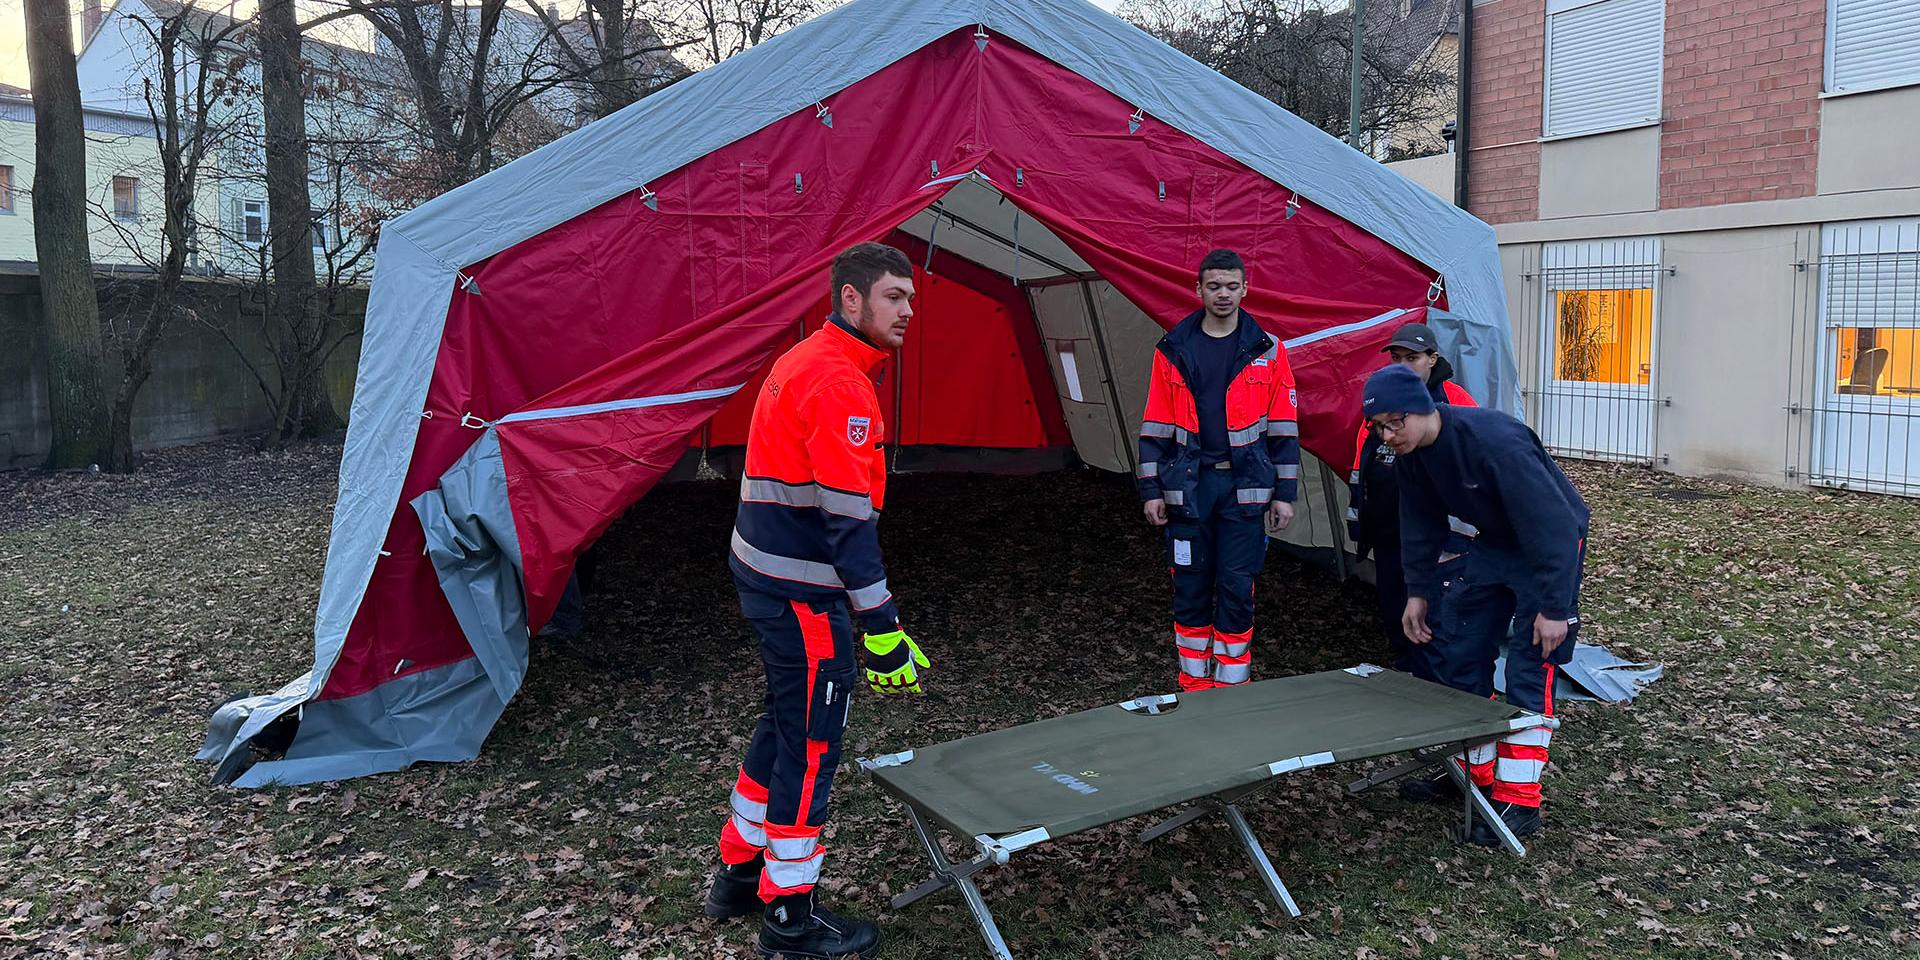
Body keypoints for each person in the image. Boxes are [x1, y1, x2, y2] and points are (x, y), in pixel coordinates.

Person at [703, 242, 931, 959]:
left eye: (911, 299)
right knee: (811, 748)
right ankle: (790, 919)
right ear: (851, 299)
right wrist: (883, 627)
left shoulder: (804, 361)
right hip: (803, 597)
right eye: (894, 297)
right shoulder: (838, 383)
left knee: (782, 723)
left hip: (767, 579)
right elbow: (848, 521)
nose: (908, 311)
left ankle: (738, 875)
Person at [1361, 364, 1590, 845]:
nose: (1387, 435)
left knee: (1530, 668)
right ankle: (1471, 774)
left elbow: (1556, 527)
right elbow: (1419, 524)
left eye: (1393, 422)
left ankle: (1519, 803)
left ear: (1421, 408)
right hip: (1496, 546)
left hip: (1546, 550)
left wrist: (1555, 608)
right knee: (1460, 653)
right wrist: (1418, 593)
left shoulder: (1495, 443)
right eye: (1377, 426)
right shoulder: (1412, 456)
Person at [1137, 249, 1300, 692]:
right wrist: (1150, 489)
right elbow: (1154, 427)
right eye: (1214, 286)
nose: (1223, 294)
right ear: (1199, 290)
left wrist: (1285, 494)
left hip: (1245, 490)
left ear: (1245, 289)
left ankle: (1232, 689)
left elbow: (1284, 429)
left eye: (1232, 286)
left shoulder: (1269, 350)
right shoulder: (1173, 348)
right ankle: (1193, 685)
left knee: (1236, 585)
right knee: (1189, 584)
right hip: (1189, 491)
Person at [1346, 322, 1477, 683]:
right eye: (1398, 358)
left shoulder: (1455, 400)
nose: (1406, 366)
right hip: (1392, 533)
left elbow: (1471, 471)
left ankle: (1437, 682)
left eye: (1414, 358)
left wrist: (1461, 538)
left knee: (1436, 614)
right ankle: (1407, 672)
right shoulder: (1380, 402)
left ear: (1433, 359)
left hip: (1441, 539)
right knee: (1395, 607)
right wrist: (1361, 527)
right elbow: (1363, 466)